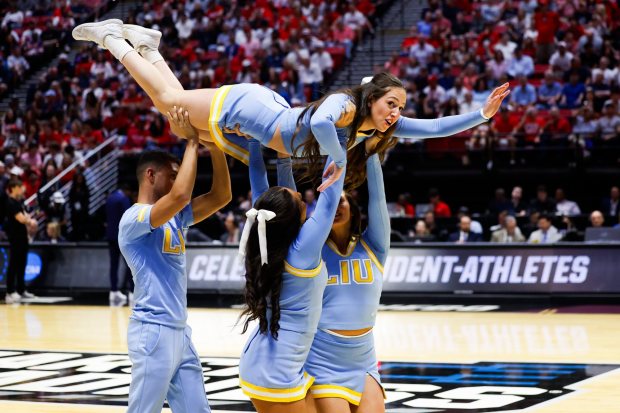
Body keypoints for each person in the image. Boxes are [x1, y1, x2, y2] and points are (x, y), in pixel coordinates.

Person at [72, 20, 509, 191]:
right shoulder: (344, 106)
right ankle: (111, 37)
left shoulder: (374, 124)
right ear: (373, 97)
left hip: (262, 115)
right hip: (249, 108)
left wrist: (481, 116)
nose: (396, 113)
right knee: (167, 101)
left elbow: (432, 129)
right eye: (392, 103)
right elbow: (319, 123)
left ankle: (148, 47)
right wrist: (337, 160)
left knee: (173, 111)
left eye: (400, 107)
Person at [118, 108, 231, 413]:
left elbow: (222, 195)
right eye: (173, 173)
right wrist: (192, 141)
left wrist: (215, 146)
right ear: (150, 175)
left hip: (179, 330)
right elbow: (181, 195)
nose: (179, 178)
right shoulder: (134, 218)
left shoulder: (175, 218)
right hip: (152, 330)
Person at [237, 141, 345, 412]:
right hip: (276, 374)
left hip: (265, 363)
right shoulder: (302, 250)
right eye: (298, 198)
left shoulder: (267, 235)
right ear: (294, 214)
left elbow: (263, 189)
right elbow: (330, 194)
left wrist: (265, 144)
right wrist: (338, 138)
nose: (302, 195)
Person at [305, 138, 389, 412]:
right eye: (330, 202)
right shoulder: (311, 249)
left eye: (342, 200)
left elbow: (378, 197)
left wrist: (372, 150)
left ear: (353, 207)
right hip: (322, 357)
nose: (337, 206)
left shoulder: (373, 245)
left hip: (364, 358)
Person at [4, 179, 37, 304]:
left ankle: (21, 289)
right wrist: (30, 221)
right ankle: (10, 292)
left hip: (23, 237)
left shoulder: (18, 202)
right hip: (15, 237)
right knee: (14, 264)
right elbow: (21, 218)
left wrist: (28, 218)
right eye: (19, 187)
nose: (22, 189)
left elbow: (25, 215)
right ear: (13, 188)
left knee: (22, 263)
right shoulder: (10, 202)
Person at [106, 183, 132, 305]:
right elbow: (128, 217)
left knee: (114, 264)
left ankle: (114, 290)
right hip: (122, 237)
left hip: (110, 236)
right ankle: (131, 291)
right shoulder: (123, 199)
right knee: (130, 265)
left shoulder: (110, 198)